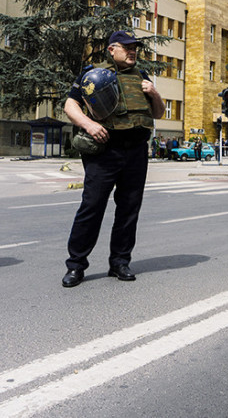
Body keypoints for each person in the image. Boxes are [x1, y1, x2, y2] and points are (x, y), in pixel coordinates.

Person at [61, 30, 165, 288]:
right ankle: (76, 265)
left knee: (129, 209)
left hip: (136, 150)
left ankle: (119, 262)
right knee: (92, 207)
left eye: (135, 48)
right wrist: (88, 125)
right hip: (106, 149)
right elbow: (70, 105)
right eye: (127, 47)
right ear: (111, 50)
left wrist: (154, 93)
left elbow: (159, 113)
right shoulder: (94, 74)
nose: (133, 52)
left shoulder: (142, 77)